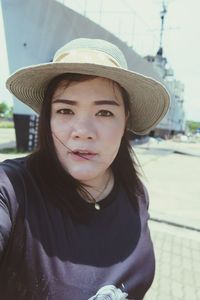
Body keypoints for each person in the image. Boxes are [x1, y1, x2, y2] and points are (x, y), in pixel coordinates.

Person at [0, 38, 170, 300]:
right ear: (48, 119)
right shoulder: (12, 189)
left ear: (126, 121)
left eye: (104, 113)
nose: (83, 132)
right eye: (65, 110)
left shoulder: (135, 194)